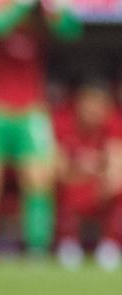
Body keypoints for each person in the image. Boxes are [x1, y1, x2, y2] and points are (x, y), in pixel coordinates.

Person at [0, 0, 82, 267]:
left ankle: (37, 249)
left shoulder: (40, 11)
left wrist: (52, 8)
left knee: (39, 178)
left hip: (29, 109)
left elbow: (72, 30)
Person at [53, 81, 122, 270]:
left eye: (100, 105)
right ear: (79, 103)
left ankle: (112, 244)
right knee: (63, 189)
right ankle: (68, 243)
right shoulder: (63, 121)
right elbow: (57, 170)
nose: (94, 110)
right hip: (73, 187)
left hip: (99, 190)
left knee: (119, 188)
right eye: (89, 103)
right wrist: (82, 171)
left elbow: (116, 165)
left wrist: (100, 174)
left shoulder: (114, 123)